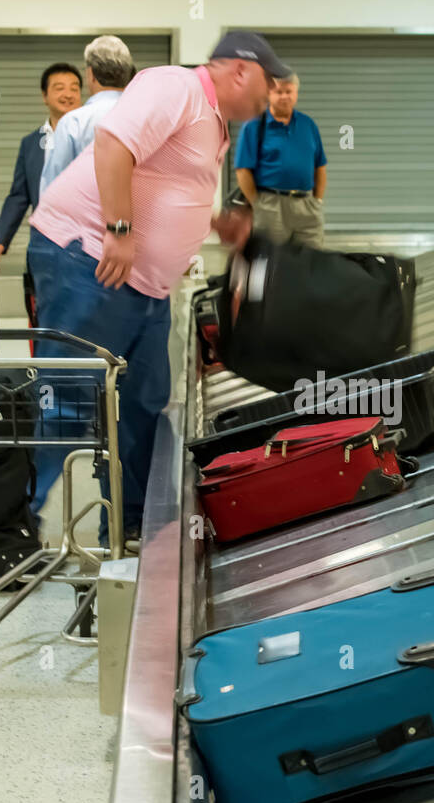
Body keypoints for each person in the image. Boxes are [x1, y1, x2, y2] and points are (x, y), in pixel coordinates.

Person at [27, 31, 288, 548]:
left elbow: (165, 182)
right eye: (267, 79)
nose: (273, 91)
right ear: (239, 70)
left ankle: (127, 526)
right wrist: (119, 230)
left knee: (145, 402)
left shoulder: (214, 124)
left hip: (145, 285)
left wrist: (213, 222)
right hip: (90, 260)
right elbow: (114, 143)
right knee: (71, 399)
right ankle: (8, 523)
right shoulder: (175, 86)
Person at [0, 61, 82, 328]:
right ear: (44, 96)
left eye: (74, 88)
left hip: (86, 245)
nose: (68, 94)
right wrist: (0, 238)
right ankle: (46, 368)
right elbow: (19, 195)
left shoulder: (95, 136)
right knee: (43, 318)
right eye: (59, 88)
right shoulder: (31, 143)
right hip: (44, 248)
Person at [234, 73, 328, 248]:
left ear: (296, 93)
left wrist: (317, 201)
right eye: (279, 92)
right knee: (272, 262)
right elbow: (243, 170)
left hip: (306, 206)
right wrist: (257, 203)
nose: (285, 96)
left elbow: (320, 166)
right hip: (270, 205)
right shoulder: (254, 126)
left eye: (289, 91)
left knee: (312, 262)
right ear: (268, 94)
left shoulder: (308, 125)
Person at [38, 37, 135, 196]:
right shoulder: (148, 116)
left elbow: (53, 189)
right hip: (143, 217)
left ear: (91, 75)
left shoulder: (73, 123)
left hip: (82, 218)